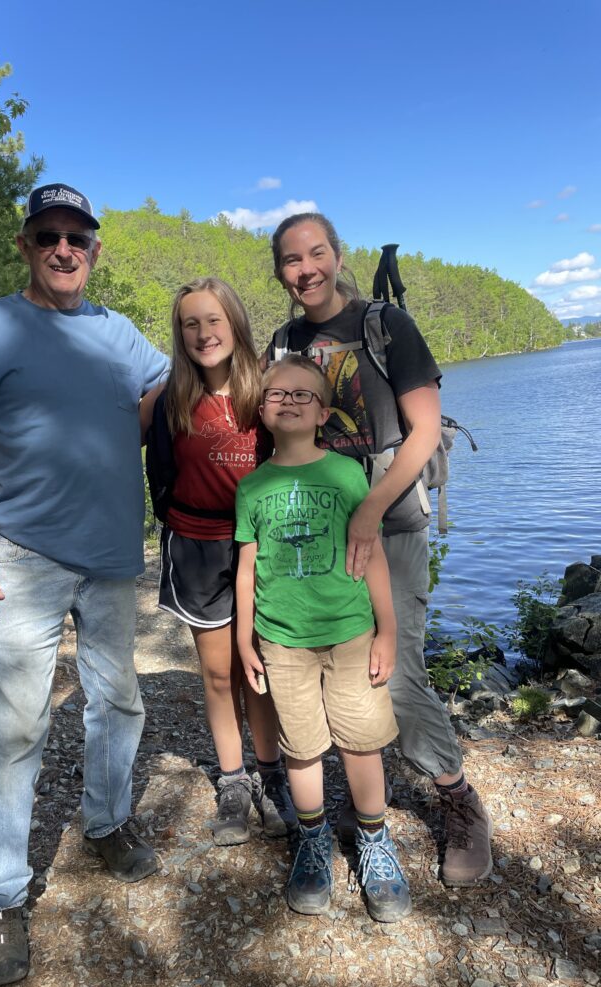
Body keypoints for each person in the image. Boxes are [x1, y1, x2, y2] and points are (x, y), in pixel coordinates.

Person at [0, 182, 169, 987]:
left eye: (78, 237)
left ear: (95, 250)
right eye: (48, 236)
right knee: (16, 730)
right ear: (27, 247)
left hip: (108, 559)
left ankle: (105, 824)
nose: (64, 248)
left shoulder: (120, 333)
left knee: (120, 701)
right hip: (20, 558)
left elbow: (170, 397)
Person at [265, 212, 493, 887]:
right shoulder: (282, 343)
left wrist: (367, 509)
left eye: (316, 254)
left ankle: (458, 798)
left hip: (389, 522)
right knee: (333, 665)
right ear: (279, 271)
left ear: (337, 256)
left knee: (393, 669)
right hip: (315, 533)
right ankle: (368, 802)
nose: (305, 269)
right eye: (290, 259)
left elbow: (422, 431)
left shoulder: (384, 326)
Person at [235, 354, 411, 921]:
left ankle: (374, 841)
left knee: (362, 742)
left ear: (323, 414)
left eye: (302, 395)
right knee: (302, 746)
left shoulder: (346, 475)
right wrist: (244, 641)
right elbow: (245, 567)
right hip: (282, 641)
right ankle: (311, 841)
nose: (288, 400)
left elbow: (373, 554)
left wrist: (388, 630)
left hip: (351, 635)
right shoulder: (252, 487)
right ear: (261, 411)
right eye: (277, 394)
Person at [147, 277, 295, 845]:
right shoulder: (169, 399)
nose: (204, 333)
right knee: (217, 672)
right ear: (179, 334)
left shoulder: (268, 391)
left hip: (263, 548)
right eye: (190, 323)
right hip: (197, 545)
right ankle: (232, 781)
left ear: (234, 322)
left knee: (258, 669)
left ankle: (270, 775)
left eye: (213, 320)